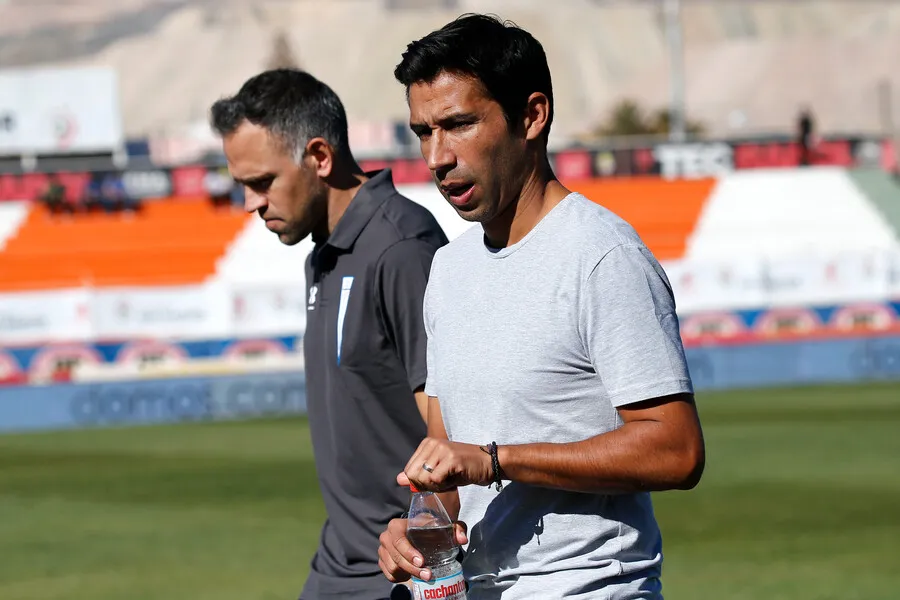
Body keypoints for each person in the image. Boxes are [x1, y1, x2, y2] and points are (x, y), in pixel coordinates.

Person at [377, 14, 706, 599]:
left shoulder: (602, 256)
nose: (437, 156)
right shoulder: (448, 269)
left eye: (458, 124)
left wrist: (497, 460)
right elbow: (446, 464)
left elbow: (676, 450)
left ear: (532, 116)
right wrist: (418, 527)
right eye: (423, 132)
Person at [210, 68, 448, 600]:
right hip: (337, 561)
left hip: (400, 567)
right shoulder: (322, 253)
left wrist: (425, 541)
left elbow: (452, 425)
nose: (250, 203)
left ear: (319, 157)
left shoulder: (401, 248)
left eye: (262, 182)